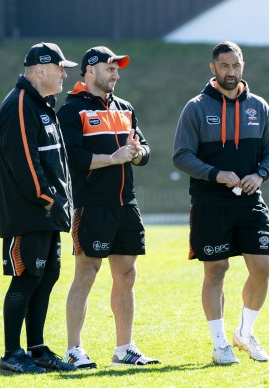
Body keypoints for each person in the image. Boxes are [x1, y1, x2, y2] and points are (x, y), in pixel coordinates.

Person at [172, 41, 269, 365]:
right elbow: (181, 156)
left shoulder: (259, 107)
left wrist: (260, 174)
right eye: (224, 66)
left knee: (263, 268)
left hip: (250, 201)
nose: (230, 72)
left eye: (235, 65)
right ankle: (220, 344)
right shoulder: (195, 107)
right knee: (216, 271)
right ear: (213, 69)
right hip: (210, 203)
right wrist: (214, 174)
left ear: (242, 65)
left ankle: (245, 334)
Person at [58, 46, 160, 368]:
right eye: (110, 69)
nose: (116, 74)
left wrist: (137, 152)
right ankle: (74, 349)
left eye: (117, 70)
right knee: (86, 273)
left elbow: (143, 148)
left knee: (127, 275)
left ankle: (124, 349)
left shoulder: (125, 107)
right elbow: (71, 157)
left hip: (126, 205)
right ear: (90, 71)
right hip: (92, 205)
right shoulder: (71, 110)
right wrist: (111, 159)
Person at [0, 42, 78, 374]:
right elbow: (25, 163)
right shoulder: (18, 104)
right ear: (41, 70)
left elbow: (56, 161)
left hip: (49, 212)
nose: (65, 73)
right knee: (26, 278)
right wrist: (49, 199)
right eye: (61, 67)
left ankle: (37, 349)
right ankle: (11, 354)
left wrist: (62, 203)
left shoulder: (43, 104)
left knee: (46, 277)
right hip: (28, 213)